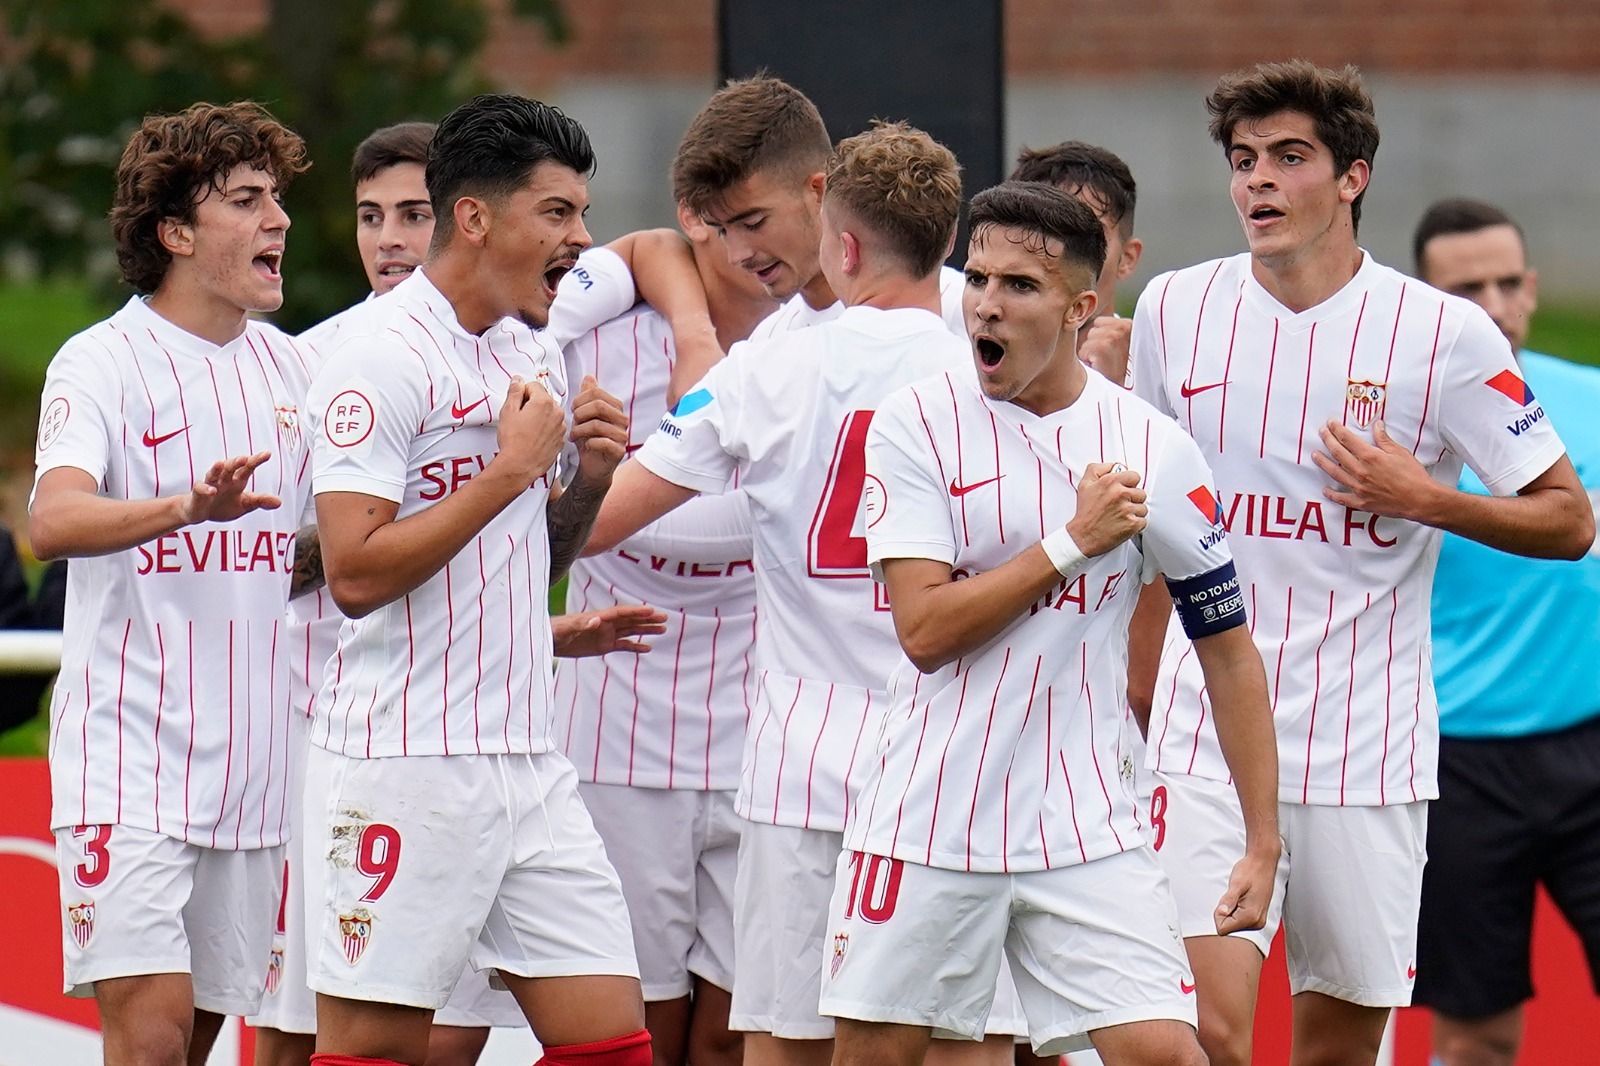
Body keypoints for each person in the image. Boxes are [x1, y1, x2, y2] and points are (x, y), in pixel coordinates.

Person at [1126, 60, 1593, 1066]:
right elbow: (1149, 535)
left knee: (1335, 1046)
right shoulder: (1173, 309)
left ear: (1351, 177)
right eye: (1243, 160)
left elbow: (1566, 518)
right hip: (1202, 729)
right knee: (1199, 1031)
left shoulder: (1444, 334)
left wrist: (1422, 497)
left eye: (1289, 157)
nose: (1259, 181)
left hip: (1363, 740)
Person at [582, 121, 1019, 1066]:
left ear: (840, 233)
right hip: (955, 756)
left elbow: (610, 515)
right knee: (960, 1042)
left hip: (800, 758)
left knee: (787, 1038)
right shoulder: (1000, 356)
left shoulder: (769, 364)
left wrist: (507, 491)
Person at [819, 180, 1279, 1066]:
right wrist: (1073, 542)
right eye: (979, 278)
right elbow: (924, 631)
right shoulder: (918, 424)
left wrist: (1263, 841)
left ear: (1080, 308)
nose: (987, 304)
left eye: (1019, 287)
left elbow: (1226, 651)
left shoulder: (1153, 449)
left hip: (1086, 823)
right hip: (927, 816)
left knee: (1169, 1056)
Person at [252, 121, 666, 1066]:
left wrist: (590, 480)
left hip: (526, 756)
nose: (580, 241)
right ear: (475, 217)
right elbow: (353, 574)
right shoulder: (376, 359)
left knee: (611, 1041)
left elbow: (534, 555)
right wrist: (507, 472)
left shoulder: (532, 352)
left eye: (584, 215)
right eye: (556, 212)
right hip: (405, 763)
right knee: (372, 1050)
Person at [28, 100, 321, 1066]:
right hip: (130, 760)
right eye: (246, 200)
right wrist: (182, 509)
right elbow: (52, 522)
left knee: (192, 1046)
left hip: (257, 771)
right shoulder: (102, 361)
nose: (277, 218)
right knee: (148, 1043)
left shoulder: (297, 373)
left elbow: (327, 553)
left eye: (276, 197)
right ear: (177, 232)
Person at [546, 168, 777, 1066]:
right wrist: (687, 328)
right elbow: (610, 263)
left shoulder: (819, 345)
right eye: (737, 225)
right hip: (617, 742)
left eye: (777, 221)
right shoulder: (600, 334)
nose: (761, 250)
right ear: (696, 224)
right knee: (639, 1030)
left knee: (732, 1036)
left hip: (760, 747)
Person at [1410, 197, 1600, 1066]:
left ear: (1531, 287)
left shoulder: (1592, 398)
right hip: (1457, 768)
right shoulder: (1395, 438)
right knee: (1477, 1030)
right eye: (1465, 287)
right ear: (1429, 302)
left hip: (1590, 747)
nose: (1492, 302)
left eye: (1505, 281)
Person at [1008, 142, 1144, 385]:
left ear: (1127, 258)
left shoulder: (1160, 374)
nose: (1060, 254)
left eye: (1088, 235)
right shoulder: (976, 372)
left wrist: (1117, 387)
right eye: (1043, 234)